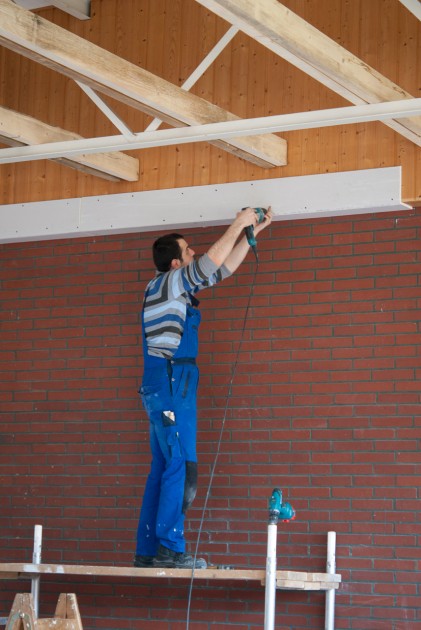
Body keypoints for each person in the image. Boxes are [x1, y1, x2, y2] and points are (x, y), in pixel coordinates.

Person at [134, 206, 273, 569]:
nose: (194, 253)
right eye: (188, 251)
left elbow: (221, 270)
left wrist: (247, 236)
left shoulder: (170, 287)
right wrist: (239, 222)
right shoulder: (167, 282)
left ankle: (149, 550)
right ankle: (170, 549)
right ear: (177, 264)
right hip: (170, 383)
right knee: (182, 464)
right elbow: (211, 262)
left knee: (164, 464)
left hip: (165, 385)